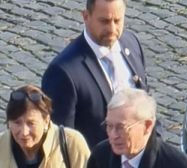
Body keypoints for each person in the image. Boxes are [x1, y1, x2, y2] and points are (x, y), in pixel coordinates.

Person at [41, 0, 149, 150]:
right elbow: (62, 145)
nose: (112, 28)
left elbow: (146, 105)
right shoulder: (63, 72)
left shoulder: (132, 43)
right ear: (86, 16)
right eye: (104, 21)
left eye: (117, 20)